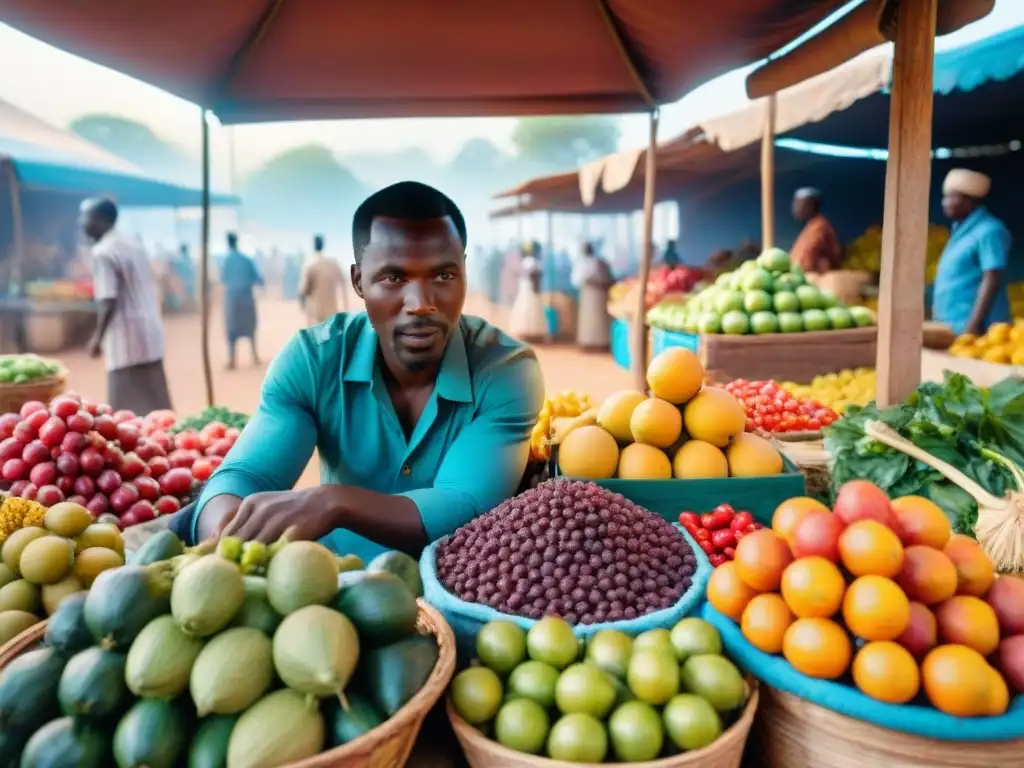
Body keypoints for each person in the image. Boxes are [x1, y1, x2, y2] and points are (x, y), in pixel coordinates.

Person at [182, 181, 544, 561]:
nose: (420, 304)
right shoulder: (313, 361)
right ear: (358, 282)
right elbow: (247, 475)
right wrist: (222, 528)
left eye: (443, 276)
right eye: (394, 278)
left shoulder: (506, 370)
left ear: (464, 274)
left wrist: (336, 502)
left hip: (459, 592)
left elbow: (464, 502)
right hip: (334, 588)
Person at [81, 198, 172, 414]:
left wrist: (98, 337)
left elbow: (108, 299)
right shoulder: (132, 243)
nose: (83, 224)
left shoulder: (103, 251)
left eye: (87, 218)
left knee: (124, 409)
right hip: (149, 331)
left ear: (101, 220)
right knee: (155, 399)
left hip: (125, 338)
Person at [933, 169, 1011, 336]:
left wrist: (971, 329)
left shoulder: (989, 231)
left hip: (976, 330)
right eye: (945, 197)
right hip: (951, 325)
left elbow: (992, 279)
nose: (945, 202)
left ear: (970, 201)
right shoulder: (959, 230)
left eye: (952, 197)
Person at [220, 233, 264, 370]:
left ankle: (232, 361)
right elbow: (259, 279)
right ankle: (255, 356)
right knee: (249, 327)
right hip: (246, 297)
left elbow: (223, 279)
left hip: (232, 299)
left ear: (228, 243)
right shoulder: (247, 260)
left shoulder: (226, 261)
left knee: (232, 328)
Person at [789, 188, 843, 274]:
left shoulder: (820, 226)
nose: (795, 208)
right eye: (795, 204)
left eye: (800, 204)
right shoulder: (810, 226)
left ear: (812, 205)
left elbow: (807, 258)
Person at [298, 234, 347, 325]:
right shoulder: (333, 263)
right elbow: (343, 284)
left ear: (314, 245)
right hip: (332, 313)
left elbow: (303, 291)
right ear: (323, 244)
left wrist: (302, 306)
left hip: (316, 315)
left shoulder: (309, 264)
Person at [574, 242, 614, 351]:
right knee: (592, 319)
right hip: (592, 294)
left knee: (597, 319)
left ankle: (597, 343)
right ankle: (591, 342)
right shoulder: (597, 262)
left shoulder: (592, 263)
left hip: (595, 294)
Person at [508, 242, 549, 343]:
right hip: (530, 287)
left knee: (526, 308)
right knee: (532, 308)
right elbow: (535, 275)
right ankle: (534, 332)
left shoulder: (526, 262)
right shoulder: (534, 262)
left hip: (526, 287)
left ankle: (527, 333)